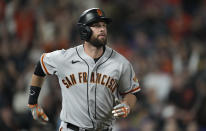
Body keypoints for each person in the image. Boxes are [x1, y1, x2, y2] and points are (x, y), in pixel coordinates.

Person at [28, 8, 140, 131]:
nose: (102, 29)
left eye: (104, 25)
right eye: (96, 26)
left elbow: (131, 92)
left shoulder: (120, 63)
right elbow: (41, 64)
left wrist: (127, 105)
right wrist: (33, 103)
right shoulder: (65, 58)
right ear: (84, 30)